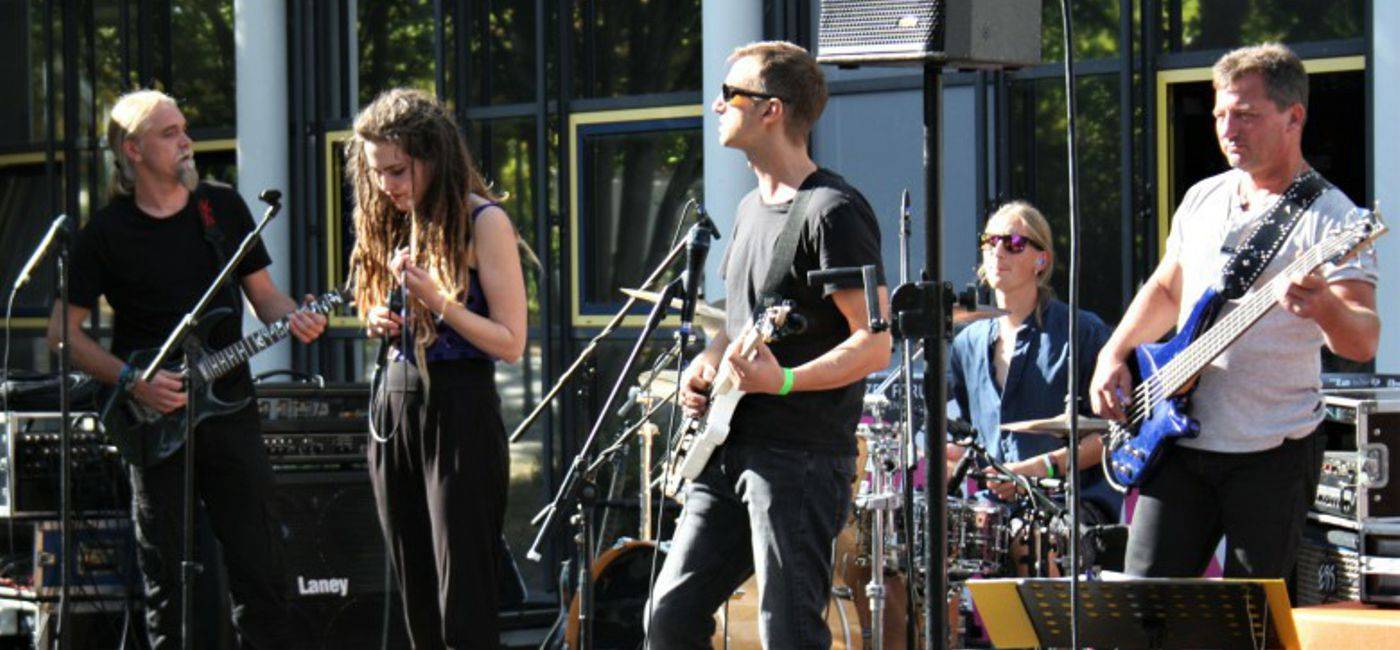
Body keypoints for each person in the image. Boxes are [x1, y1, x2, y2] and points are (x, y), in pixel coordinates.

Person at [1090, 43, 1379, 580]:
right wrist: (1114, 352)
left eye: (1245, 115)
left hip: (1272, 452)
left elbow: (1362, 341)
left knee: (1251, 615)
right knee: (1143, 604)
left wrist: (1323, 307)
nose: (1228, 129)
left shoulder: (1333, 219)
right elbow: (1167, 289)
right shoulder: (1203, 197)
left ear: (1294, 117)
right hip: (1177, 441)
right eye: (1221, 114)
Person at [49, 89, 327, 648]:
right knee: (171, 581)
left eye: (185, 129)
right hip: (155, 421)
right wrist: (131, 381)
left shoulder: (221, 209)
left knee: (261, 567)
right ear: (133, 149)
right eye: (170, 132)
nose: (187, 141)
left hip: (231, 411)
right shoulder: (104, 233)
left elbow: (265, 298)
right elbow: (62, 334)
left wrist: (295, 317)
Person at [646, 41, 891, 649]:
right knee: (669, 618)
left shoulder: (833, 211)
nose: (716, 105)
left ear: (771, 110)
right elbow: (737, 324)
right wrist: (706, 367)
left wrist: (782, 380)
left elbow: (874, 344)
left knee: (789, 633)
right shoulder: (749, 209)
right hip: (729, 447)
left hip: (798, 459)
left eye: (730, 95)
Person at [346, 87, 527, 649]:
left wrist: (438, 301)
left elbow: (511, 342)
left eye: (398, 171)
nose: (387, 185)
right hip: (395, 402)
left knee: (463, 595)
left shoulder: (483, 220)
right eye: (376, 172)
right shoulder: (390, 219)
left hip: (458, 406)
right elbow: (378, 301)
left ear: (433, 157)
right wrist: (377, 317)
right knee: (416, 594)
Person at [946, 201, 1120, 526]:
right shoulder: (966, 343)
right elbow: (967, 438)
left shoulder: (1082, 332)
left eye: (1013, 243)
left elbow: (1114, 432)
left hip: (1068, 505)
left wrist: (1039, 468)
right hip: (994, 509)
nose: (998, 251)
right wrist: (949, 459)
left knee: (1028, 535)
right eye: (990, 241)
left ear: (1042, 260)